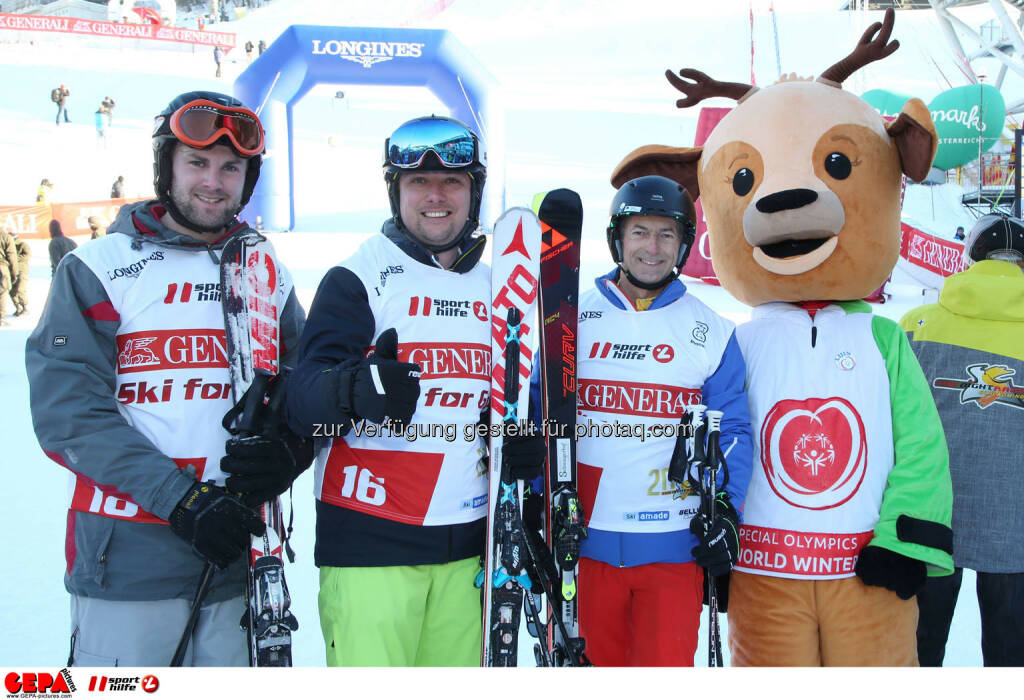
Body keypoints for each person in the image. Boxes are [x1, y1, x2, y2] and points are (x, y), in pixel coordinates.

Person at [25, 90, 311, 667]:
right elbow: (69, 415)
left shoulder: (262, 270)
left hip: (235, 556)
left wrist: (289, 450)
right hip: (127, 557)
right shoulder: (100, 268)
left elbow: (300, 390)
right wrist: (182, 501)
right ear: (166, 166)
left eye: (232, 168)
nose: (214, 182)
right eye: (197, 163)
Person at [286, 115, 542, 667]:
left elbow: (508, 400)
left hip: (470, 549)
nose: (436, 196)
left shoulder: (499, 286)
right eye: (418, 183)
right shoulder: (358, 278)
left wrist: (520, 446)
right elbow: (301, 399)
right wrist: (352, 390)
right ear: (394, 191)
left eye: (452, 181)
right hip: (371, 545)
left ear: (473, 192)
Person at [556, 175, 753, 666]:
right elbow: (545, 411)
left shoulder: (711, 330)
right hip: (587, 543)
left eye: (667, 234)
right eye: (640, 231)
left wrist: (727, 509)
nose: (653, 247)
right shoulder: (571, 316)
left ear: (684, 244)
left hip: (673, 547)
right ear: (617, 240)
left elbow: (732, 432)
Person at [901, 213, 1024, 667]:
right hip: (1016, 524)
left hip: (929, 516)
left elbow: (889, 424)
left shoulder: (916, 326)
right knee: (1013, 659)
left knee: (919, 651)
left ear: (969, 257)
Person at [9, 229, 31, 317]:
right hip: (12, 270)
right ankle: (18, 307)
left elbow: (27, 255)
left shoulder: (22, 244)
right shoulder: (9, 245)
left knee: (20, 289)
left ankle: (25, 307)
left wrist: (14, 259)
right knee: (12, 290)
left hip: (22, 270)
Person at [0, 226, 17, 325]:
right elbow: (12, 257)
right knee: (2, 292)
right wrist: (14, 273)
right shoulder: (6, 237)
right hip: (2, 268)